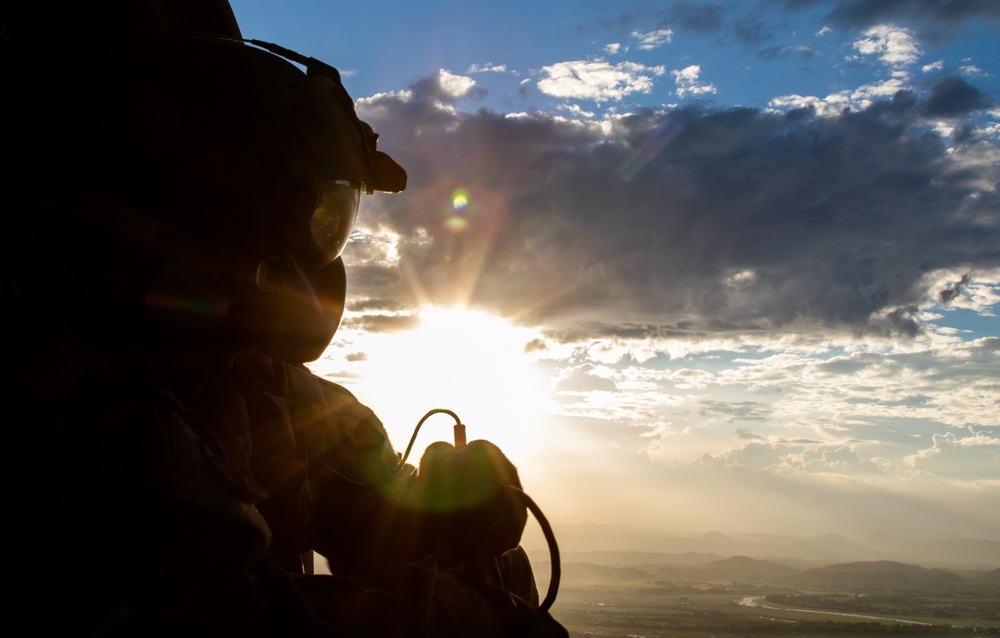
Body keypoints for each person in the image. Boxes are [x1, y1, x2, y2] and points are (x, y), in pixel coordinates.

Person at [3, 1, 566, 635]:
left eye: (323, 213)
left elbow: (354, 489)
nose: (301, 255)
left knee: (502, 568)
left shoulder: (236, 372)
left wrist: (450, 508)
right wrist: (469, 622)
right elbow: (233, 614)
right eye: (267, 194)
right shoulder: (60, 377)